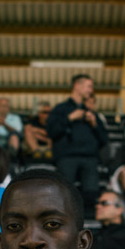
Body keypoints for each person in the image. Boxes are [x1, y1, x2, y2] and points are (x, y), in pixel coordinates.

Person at [46, 74, 108, 208]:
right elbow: (51, 132)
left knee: (91, 196)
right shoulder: (60, 109)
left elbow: (104, 139)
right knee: (65, 195)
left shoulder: (92, 113)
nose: (91, 90)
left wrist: (94, 124)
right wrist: (69, 118)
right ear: (77, 86)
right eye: (88, 86)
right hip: (67, 158)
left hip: (90, 159)